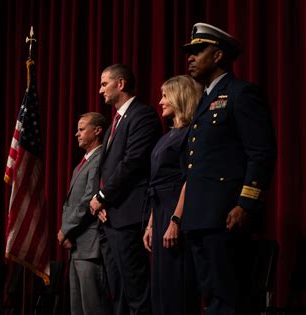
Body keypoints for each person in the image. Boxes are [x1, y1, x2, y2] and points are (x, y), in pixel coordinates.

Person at [181, 23, 277, 314]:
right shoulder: (205, 101)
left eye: (198, 51)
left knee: (230, 299)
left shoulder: (240, 93)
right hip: (199, 217)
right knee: (211, 298)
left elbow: (261, 154)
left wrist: (245, 204)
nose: (190, 58)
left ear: (219, 55)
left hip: (225, 215)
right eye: (190, 52)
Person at [89, 64, 161, 314]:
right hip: (109, 218)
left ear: (120, 84)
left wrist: (102, 197)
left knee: (135, 291)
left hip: (128, 217)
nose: (100, 90)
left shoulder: (143, 116)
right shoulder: (113, 124)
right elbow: (105, 169)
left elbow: (132, 163)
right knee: (117, 291)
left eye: (104, 84)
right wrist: (101, 204)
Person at [142, 75, 202, 315]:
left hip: (177, 212)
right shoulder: (167, 135)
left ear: (180, 97)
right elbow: (156, 183)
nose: (160, 101)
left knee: (176, 286)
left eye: (165, 95)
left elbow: (190, 179)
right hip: (159, 213)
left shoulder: (191, 133)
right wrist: (150, 224)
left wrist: (175, 220)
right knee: (160, 288)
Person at [57, 112, 112, 314]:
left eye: (81, 129)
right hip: (77, 245)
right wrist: (68, 234)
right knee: (77, 307)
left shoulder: (99, 159)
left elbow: (89, 200)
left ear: (97, 131)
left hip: (90, 246)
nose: (76, 134)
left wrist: (65, 230)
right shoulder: (83, 162)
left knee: (93, 307)